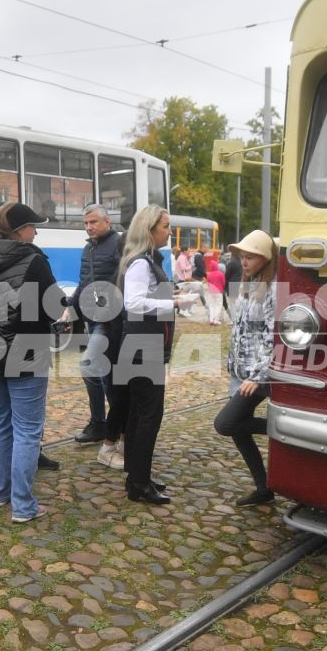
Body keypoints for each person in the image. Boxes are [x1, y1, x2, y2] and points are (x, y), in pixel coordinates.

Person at [0, 202, 63, 524]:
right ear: (18, 230)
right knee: (28, 430)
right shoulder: (33, 260)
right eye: (33, 226)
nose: (36, 232)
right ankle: (23, 506)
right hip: (25, 351)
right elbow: (55, 307)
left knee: (1, 423)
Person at [117, 205, 192, 505]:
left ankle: (137, 476)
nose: (169, 231)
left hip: (140, 346)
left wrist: (174, 297)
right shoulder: (141, 263)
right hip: (142, 347)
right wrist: (174, 305)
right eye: (165, 226)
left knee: (139, 415)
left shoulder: (146, 260)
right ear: (149, 229)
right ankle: (139, 483)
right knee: (148, 416)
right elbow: (133, 303)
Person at [215, 230, 277, 508]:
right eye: (242, 256)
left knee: (225, 423)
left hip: (257, 375)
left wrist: (259, 376)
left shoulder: (275, 290)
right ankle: (263, 488)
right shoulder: (246, 283)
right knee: (239, 431)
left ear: (265, 257)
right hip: (239, 370)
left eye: (250, 256)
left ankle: (282, 429)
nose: (244, 261)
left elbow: (275, 339)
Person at [74, 204, 123, 446]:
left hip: (110, 320)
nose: (89, 227)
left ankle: (108, 423)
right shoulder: (88, 249)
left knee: (91, 368)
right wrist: (69, 308)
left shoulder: (119, 245)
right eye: (85, 223)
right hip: (92, 318)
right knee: (103, 374)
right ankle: (105, 424)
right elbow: (84, 283)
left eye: (93, 222)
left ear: (107, 222)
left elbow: (122, 281)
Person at [203, 246, 228, 325]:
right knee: (218, 305)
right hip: (219, 291)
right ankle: (216, 320)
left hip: (211, 292)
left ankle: (211, 319)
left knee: (211, 305)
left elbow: (208, 283)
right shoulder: (220, 274)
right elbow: (224, 282)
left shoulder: (209, 274)